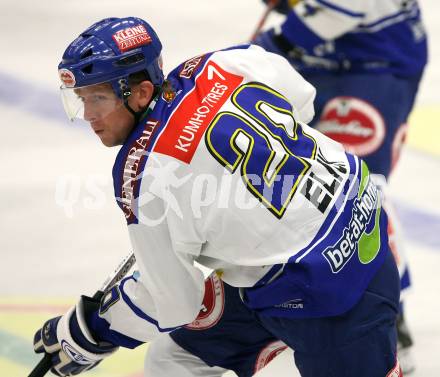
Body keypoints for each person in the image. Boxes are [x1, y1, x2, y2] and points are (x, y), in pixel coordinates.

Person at [33, 17, 402, 377]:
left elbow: (173, 300)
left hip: (330, 293)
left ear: (142, 92)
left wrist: (89, 330)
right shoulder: (223, 62)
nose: (88, 115)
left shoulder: (145, 174)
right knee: (175, 361)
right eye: (81, 99)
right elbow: (303, 100)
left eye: (97, 98)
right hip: (358, 216)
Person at [249, 0, 428, 373]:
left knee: (360, 186)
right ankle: (323, 292)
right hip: (321, 55)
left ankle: (389, 311)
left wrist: (280, 40)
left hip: (375, 60)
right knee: (305, 177)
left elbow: (345, 6)